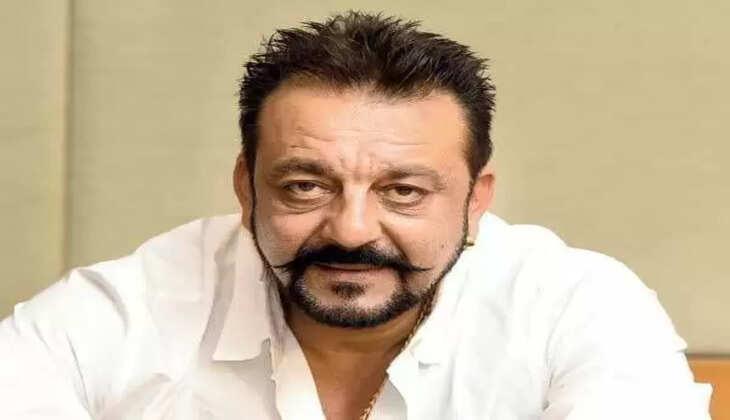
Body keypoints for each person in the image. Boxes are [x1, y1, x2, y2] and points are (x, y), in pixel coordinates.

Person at [0, 11, 711, 420]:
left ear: (476, 201)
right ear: (247, 188)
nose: (351, 230)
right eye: (305, 186)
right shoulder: (130, 307)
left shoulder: (577, 307)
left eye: (404, 191)